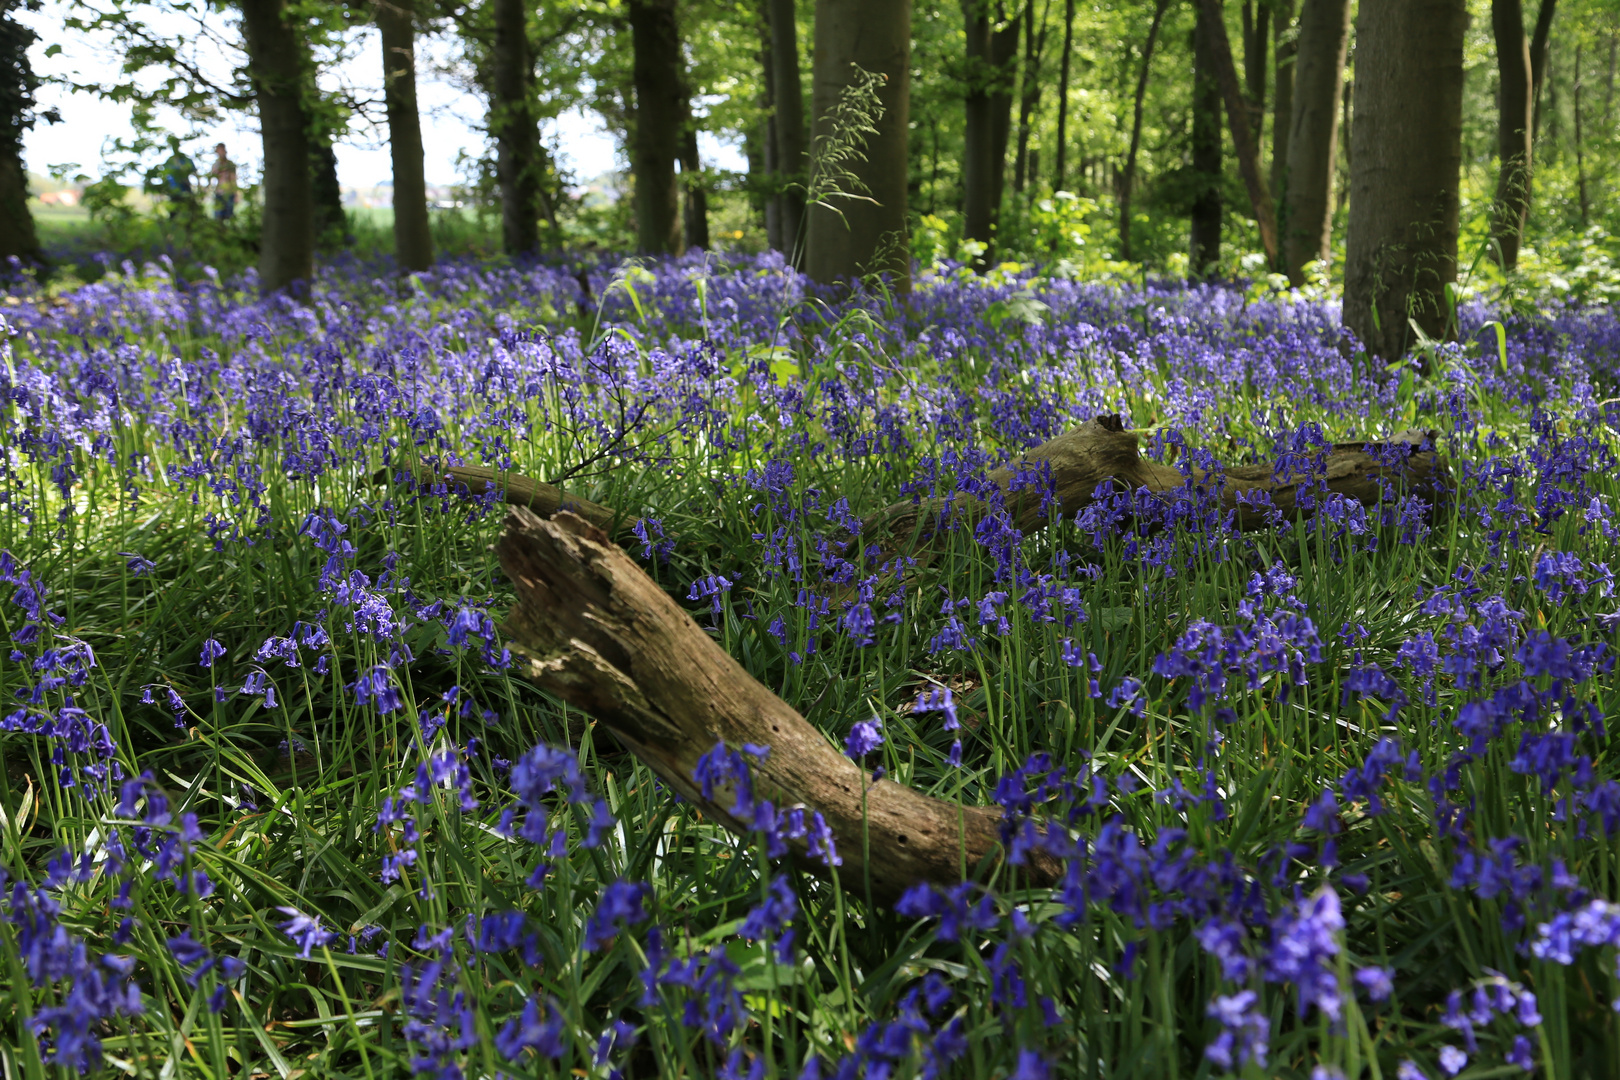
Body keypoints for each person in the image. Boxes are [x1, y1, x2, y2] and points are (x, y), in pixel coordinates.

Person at [160, 136, 196, 215]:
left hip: (185, 190)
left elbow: (194, 171)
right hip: (173, 191)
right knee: (174, 214)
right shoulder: (169, 161)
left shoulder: (185, 159)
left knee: (188, 213)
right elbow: (164, 176)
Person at [210, 143, 238, 221]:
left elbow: (233, 179)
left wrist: (236, 194)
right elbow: (212, 178)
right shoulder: (215, 164)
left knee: (229, 215)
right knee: (218, 216)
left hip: (229, 192)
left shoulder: (230, 164)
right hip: (219, 192)